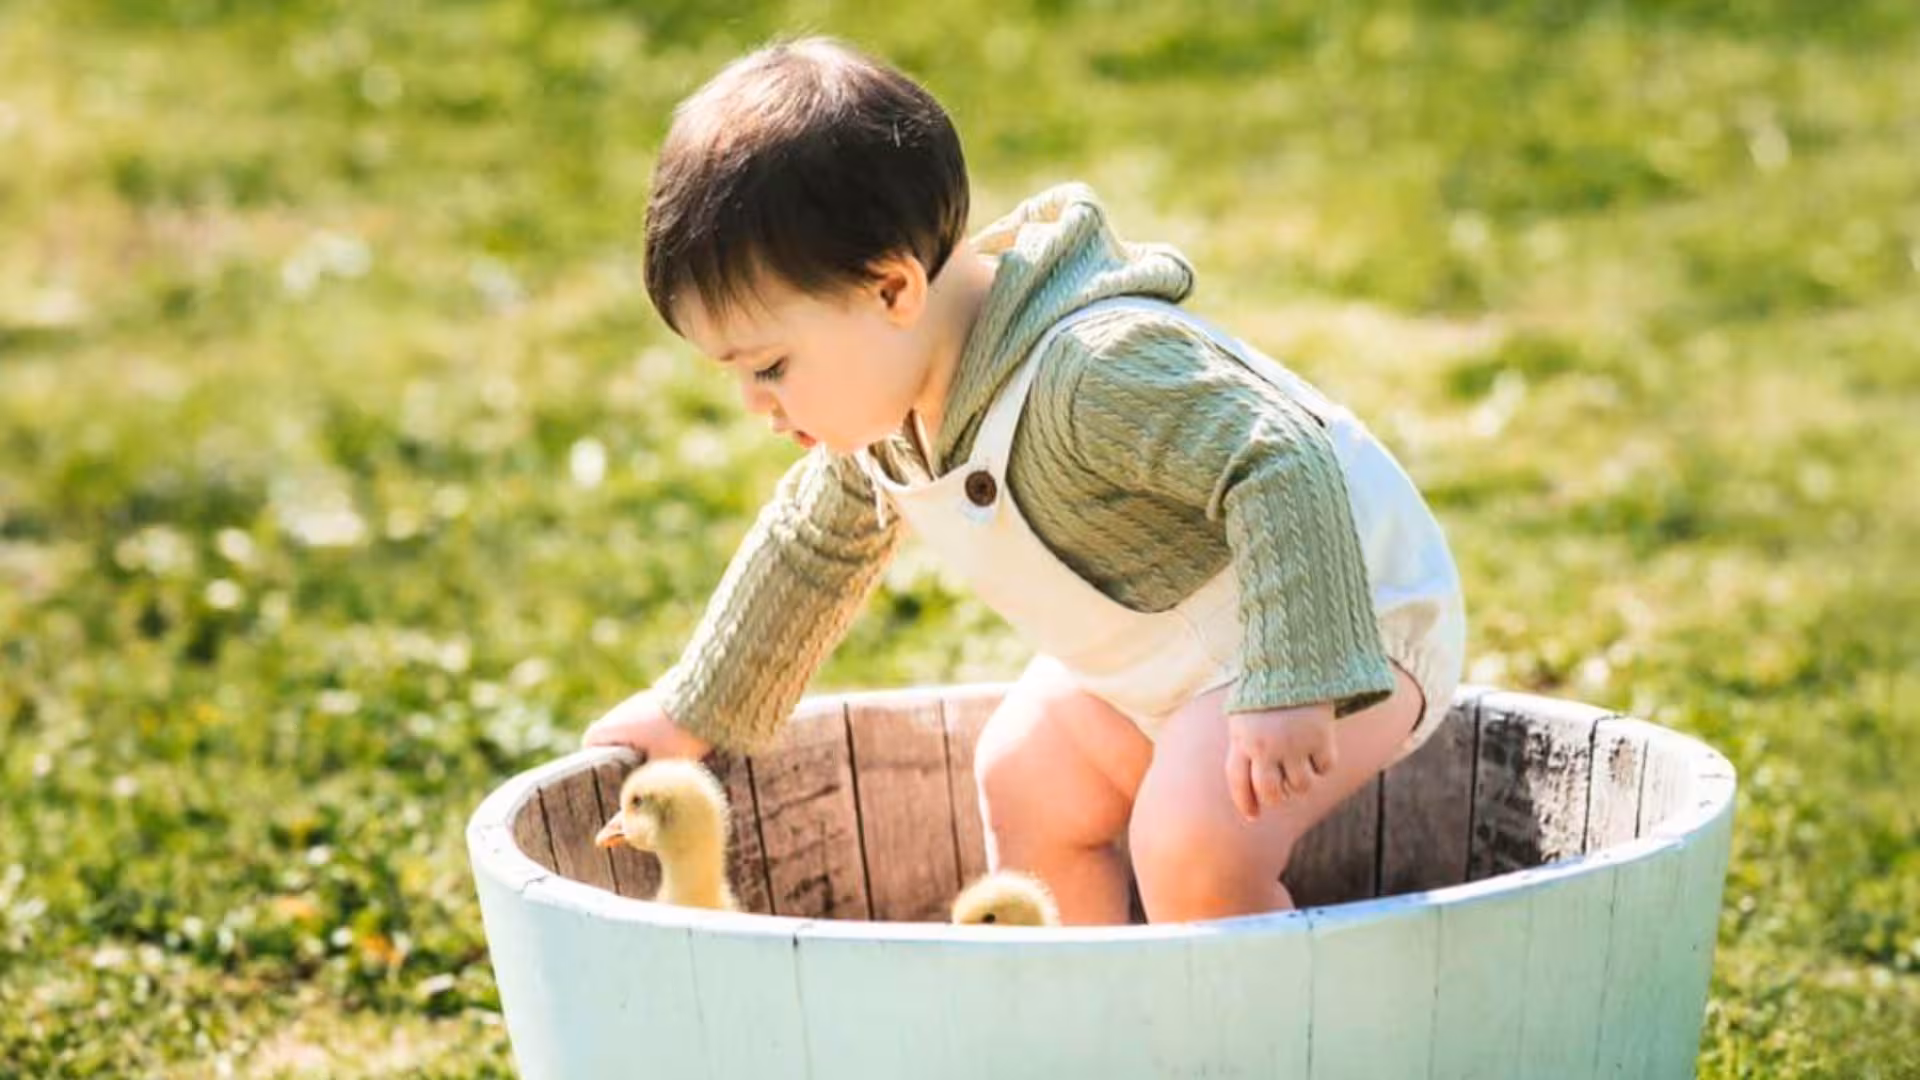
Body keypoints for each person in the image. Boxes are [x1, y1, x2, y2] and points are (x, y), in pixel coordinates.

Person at [582, 35, 1466, 925]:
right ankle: (1087, 1030)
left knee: (1191, 839)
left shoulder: (1089, 371)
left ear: (892, 291)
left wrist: (1293, 678)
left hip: (1345, 618)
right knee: (1027, 774)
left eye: (770, 365)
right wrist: (691, 711)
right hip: (1166, 656)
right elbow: (808, 555)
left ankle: (1264, 1045)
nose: (754, 403)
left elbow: (1279, 458)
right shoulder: (888, 421)